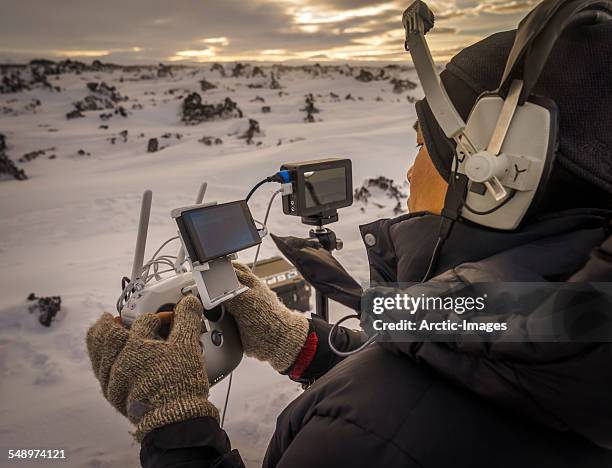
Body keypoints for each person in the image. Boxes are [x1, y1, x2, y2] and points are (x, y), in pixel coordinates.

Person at [86, 5, 612, 467]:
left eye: (423, 147)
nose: (409, 171)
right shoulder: (570, 318)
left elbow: (413, 402)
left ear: (492, 179)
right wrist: (306, 346)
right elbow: (474, 354)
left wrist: (175, 428)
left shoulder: (361, 441)